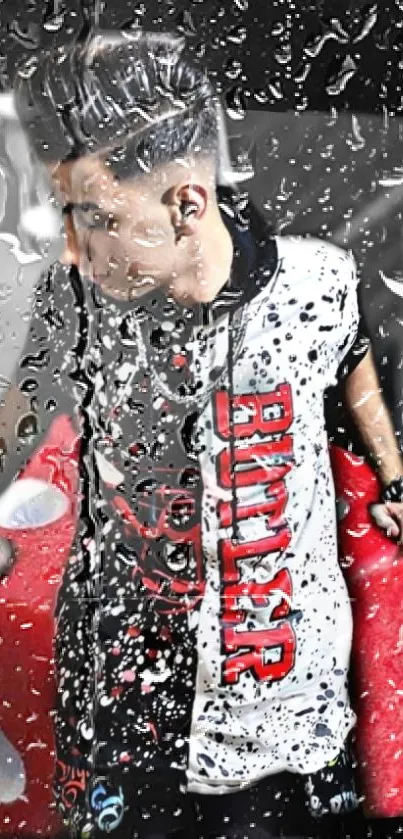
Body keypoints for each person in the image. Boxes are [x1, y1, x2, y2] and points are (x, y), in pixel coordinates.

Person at [1, 27, 403, 839]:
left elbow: (352, 363)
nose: (73, 249)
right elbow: (16, 418)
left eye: (95, 216)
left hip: (279, 677)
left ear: (187, 203)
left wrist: (392, 476)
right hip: (122, 687)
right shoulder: (71, 302)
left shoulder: (314, 280)